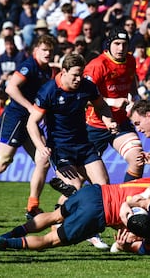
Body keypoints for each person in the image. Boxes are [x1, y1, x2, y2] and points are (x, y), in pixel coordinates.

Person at [0, 177, 150, 255]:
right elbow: (140, 225)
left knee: (54, 216)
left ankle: (8, 233)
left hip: (94, 191)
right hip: (98, 213)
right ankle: (6, 243)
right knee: (50, 240)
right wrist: (128, 237)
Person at [0, 34, 56, 217]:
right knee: (2, 163)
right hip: (15, 117)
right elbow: (10, 88)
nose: (47, 53)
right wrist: (30, 108)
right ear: (35, 50)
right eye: (44, 49)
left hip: (30, 121)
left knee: (43, 159)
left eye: (50, 50)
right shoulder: (29, 66)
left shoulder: (47, 71)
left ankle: (32, 206)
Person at [27, 53, 115, 197]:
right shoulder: (49, 91)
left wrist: (108, 121)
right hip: (60, 148)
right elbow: (31, 123)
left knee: (104, 186)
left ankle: (63, 213)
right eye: (75, 75)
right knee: (75, 186)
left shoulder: (87, 86)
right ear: (64, 71)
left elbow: (102, 106)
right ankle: (57, 213)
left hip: (84, 145)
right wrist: (41, 147)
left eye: (81, 74)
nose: (78, 79)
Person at [84, 27, 144, 182]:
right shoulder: (97, 65)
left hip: (120, 122)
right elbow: (83, 97)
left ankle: (127, 199)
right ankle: (58, 206)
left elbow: (130, 84)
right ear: (109, 44)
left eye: (124, 44)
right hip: (95, 125)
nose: (121, 48)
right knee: (81, 178)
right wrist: (112, 101)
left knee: (138, 159)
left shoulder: (130, 60)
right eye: (117, 43)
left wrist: (135, 99)